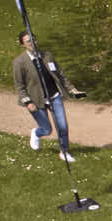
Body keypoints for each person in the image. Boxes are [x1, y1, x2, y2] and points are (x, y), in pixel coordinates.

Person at [10, 29, 77, 159]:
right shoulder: (19, 62)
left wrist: (72, 88)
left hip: (54, 96)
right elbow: (19, 85)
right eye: (28, 41)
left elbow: (59, 74)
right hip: (35, 100)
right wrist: (28, 102)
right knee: (47, 130)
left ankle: (64, 152)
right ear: (23, 45)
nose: (32, 43)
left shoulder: (47, 56)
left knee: (62, 126)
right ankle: (36, 133)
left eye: (33, 39)